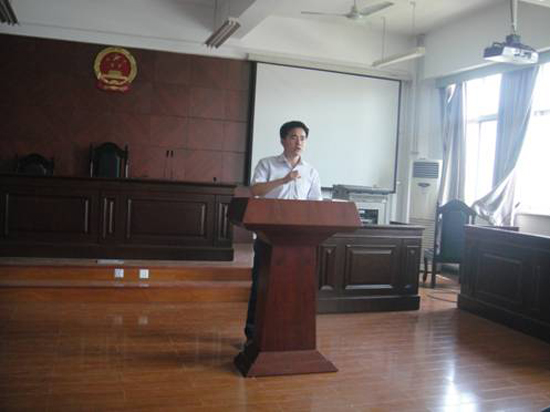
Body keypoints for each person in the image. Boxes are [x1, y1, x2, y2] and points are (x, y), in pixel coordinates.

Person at [244, 120, 322, 342]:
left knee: (293, 288)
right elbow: (256, 190)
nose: (299, 142)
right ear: (282, 140)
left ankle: (288, 333)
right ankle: (253, 334)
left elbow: (316, 204)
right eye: (294, 137)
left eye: (303, 138)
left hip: (298, 239)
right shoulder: (267, 164)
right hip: (268, 235)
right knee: (261, 284)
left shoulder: (311, 171)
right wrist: (284, 180)